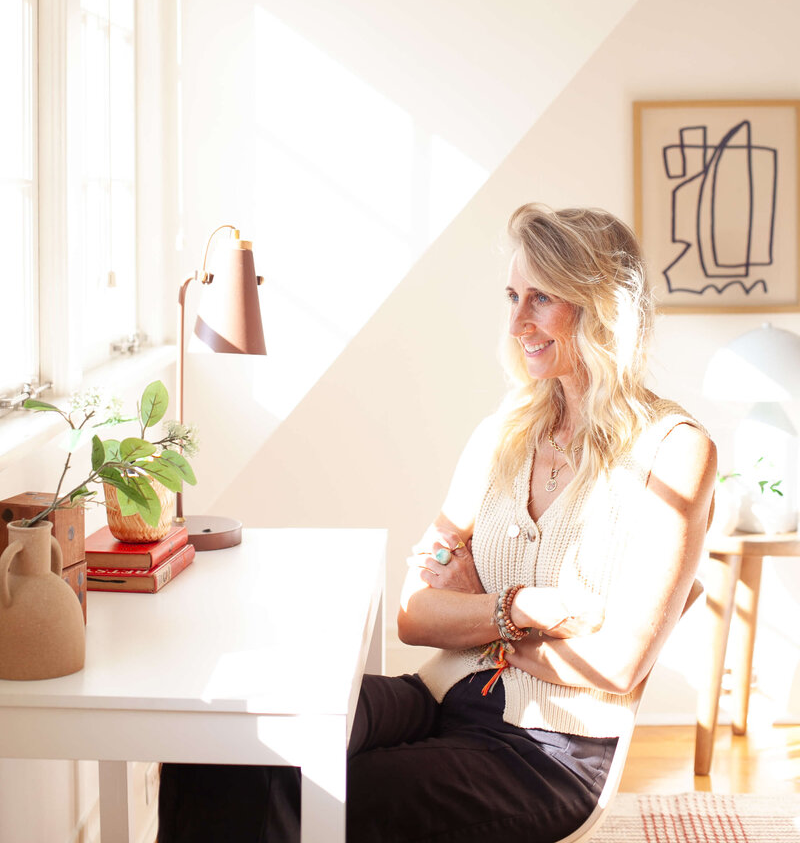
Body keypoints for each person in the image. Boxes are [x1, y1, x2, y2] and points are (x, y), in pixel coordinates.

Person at [159, 203, 716, 843]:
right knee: (222, 744)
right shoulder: (503, 434)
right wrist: (523, 609)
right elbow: (416, 614)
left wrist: (476, 613)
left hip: (546, 753)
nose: (517, 322)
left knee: (308, 793)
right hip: (437, 694)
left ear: (597, 306)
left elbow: (616, 667)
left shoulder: (673, 452)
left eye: (541, 298)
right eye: (512, 296)